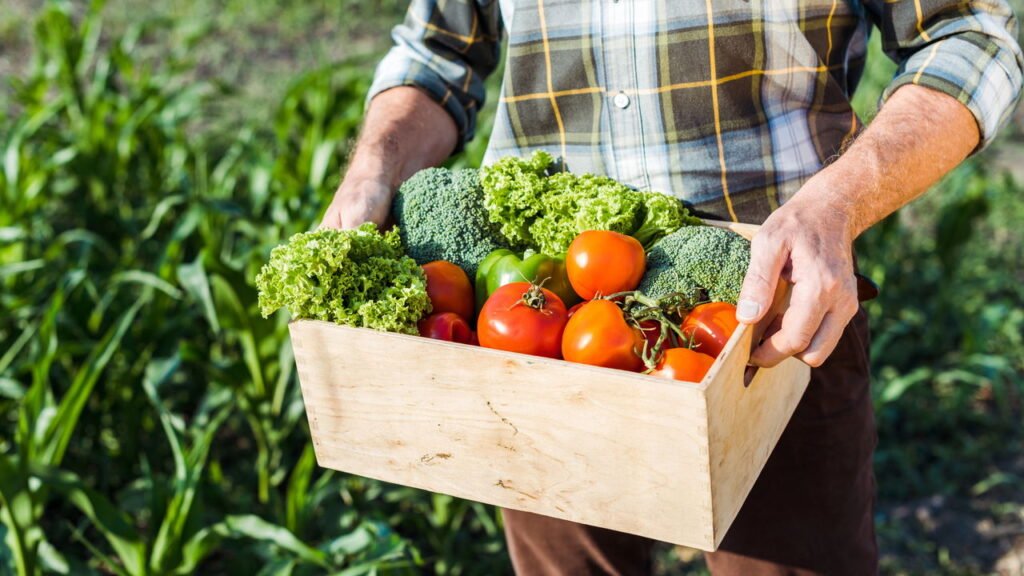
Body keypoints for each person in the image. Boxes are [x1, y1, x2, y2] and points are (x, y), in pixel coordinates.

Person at [322, 1, 1023, 574]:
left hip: (771, 323)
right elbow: (440, 51)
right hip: (545, 338)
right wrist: (372, 170)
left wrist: (838, 202)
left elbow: (969, 36)